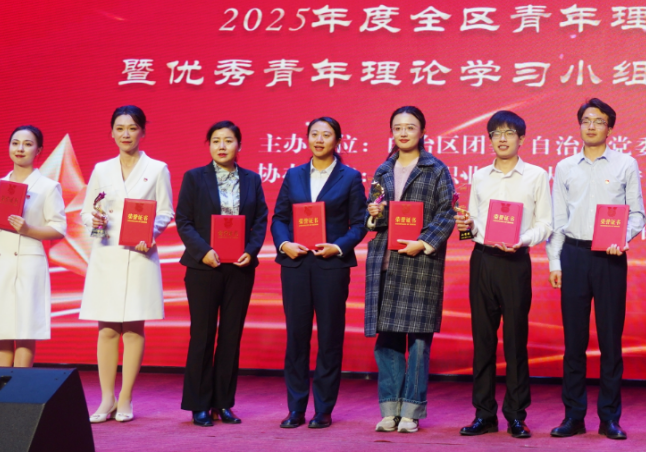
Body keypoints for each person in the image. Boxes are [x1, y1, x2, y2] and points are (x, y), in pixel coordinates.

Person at [547, 98, 645, 440]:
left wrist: (623, 238)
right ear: (579, 125)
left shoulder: (625, 164)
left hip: (610, 258)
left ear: (610, 128)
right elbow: (558, 219)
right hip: (574, 255)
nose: (591, 126)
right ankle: (573, 416)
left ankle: (609, 417)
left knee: (610, 341)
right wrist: (555, 261)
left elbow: (637, 214)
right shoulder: (564, 167)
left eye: (598, 121)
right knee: (573, 341)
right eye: (586, 120)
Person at [455, 111, 552, 439]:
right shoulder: (480, 176)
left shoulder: (536, 175)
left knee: (515, 341)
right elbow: (472, 222)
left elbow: (545, 223)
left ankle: (516, 415)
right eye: (496, 133)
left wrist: (522, 240)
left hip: (515, 262)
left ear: (521, 139)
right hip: (482, 260)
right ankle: (483, 414)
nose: (502, 138)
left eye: (509, 133)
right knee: (482, 341)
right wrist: (468, 225)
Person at [80, 105, 174, 424]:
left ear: (142, 132)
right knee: (107, 328)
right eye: (120, 128)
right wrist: (92, 221)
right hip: (107, 253)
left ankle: (126, 397)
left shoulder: (157, 169)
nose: (126, 134)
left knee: (133, 328)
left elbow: (165, 211)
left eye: (132, 128)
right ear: (111, 132)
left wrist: (151, 232)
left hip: (139, 254)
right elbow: (86, 211)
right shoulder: (101, 169)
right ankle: (106, 398)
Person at [272, 117, 368, 430]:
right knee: (296, 338)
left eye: (326, 135)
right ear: (307, 138)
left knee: (329, 338)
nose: (319, 139)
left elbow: (359, 223)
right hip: (296, 265)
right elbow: (279, 218)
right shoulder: (294, 175)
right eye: (314, 134)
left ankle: (323, 409)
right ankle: (295, 408)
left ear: (337, 141)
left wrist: (338, 247)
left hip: (331, 266)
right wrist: (284, 244)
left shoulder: (350, 177)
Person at [364, 106, 455, 434]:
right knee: (387, 340)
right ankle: (389, 409)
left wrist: (424, 242)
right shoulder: (383, 169)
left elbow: (448, 212)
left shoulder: (436, 169)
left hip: (420, 263)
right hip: (386, 263)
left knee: (418, 342)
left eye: (410, 127)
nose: (403, 133)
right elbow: (371, 216)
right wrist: (373, 213)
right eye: (398, 127)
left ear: (422, 131)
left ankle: (411, 411)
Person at [175, 121, 268, 427]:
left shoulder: (252, 179)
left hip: (239, 268)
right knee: (202, 335)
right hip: (204, 266)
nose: (222, 146)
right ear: (209, 145)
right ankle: (199, 404)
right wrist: (203, 250)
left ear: (239, 145)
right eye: (216, 140)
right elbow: (184, 220)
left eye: (228, 140)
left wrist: (251, 250)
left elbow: (260, 219)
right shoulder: (194, 177)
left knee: (231, 336)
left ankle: (223, 402)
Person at [0, 126, 67, 367]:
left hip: (29, 263)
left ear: (39, 150)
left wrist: (28, 229)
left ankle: (21, 388)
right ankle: (0, 389)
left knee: (25, 331)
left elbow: (59, 229)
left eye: (28, 144)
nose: (20, 148)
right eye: (15, 143)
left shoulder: (48, 187)